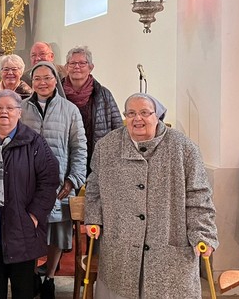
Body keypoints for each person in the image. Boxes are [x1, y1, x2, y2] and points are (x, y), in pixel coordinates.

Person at [85, 93, 218, 299]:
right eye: (131, 113)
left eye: (145, 113)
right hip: (121, 247)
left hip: (168, 249)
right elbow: (94, 188)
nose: (138, 119)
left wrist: (204, 234)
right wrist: (93, 218)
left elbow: (199, 196)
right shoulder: (107, 147)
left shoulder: (184, 148)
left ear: (158, 116)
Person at [0, 90, 59, 299]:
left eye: (10, 108)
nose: (4, 113)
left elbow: (49, 182)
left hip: (21, 228)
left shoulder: (34, 143)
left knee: (23, 289)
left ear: (19, 113)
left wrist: (34, 215)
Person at [20, 61, 87, 298]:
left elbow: (79, 148)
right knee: (28, 231)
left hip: (59, 183)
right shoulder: (21, 108)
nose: (42, 83)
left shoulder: (70, 110)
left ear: (55, 80)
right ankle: (29, 277)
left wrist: (72, 180)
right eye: (37, 78)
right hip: (27, 183)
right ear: (31, 82)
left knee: (57, 231)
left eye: (47, 78)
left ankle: (49, 278)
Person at [62, 46, 122, 174]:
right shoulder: (57, 93)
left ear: (91, 67)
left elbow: (118, 129)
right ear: (66, 67)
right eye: (72, 63)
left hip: (97, 158)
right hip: (64, 158)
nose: (77, 66)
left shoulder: (103, 94)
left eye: (82, 63)